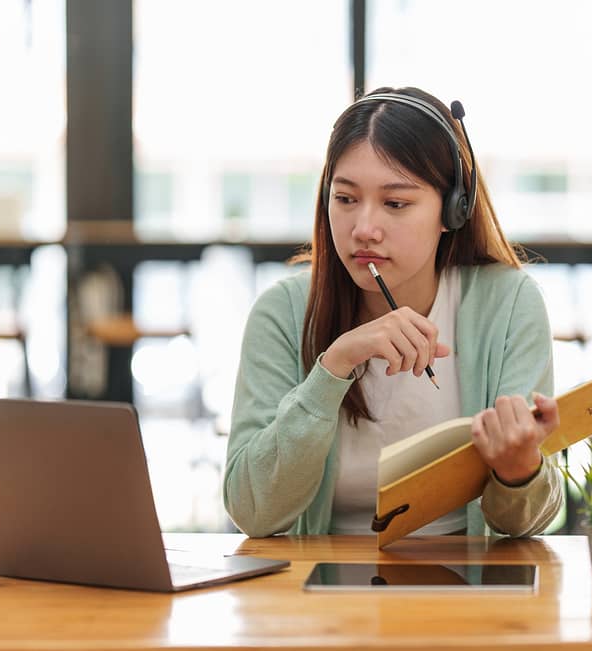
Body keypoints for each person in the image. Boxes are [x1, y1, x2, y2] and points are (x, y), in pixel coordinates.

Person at [224, 87, 563, 537]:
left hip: (465, 590)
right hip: (317, 590)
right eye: (345, 199)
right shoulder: (282, 313)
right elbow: (252, 510)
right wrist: (333, 367)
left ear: (453, 210)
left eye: (396, 204)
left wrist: (519, 470)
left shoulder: (508, 303)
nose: (364, 229)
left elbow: (524, 524)